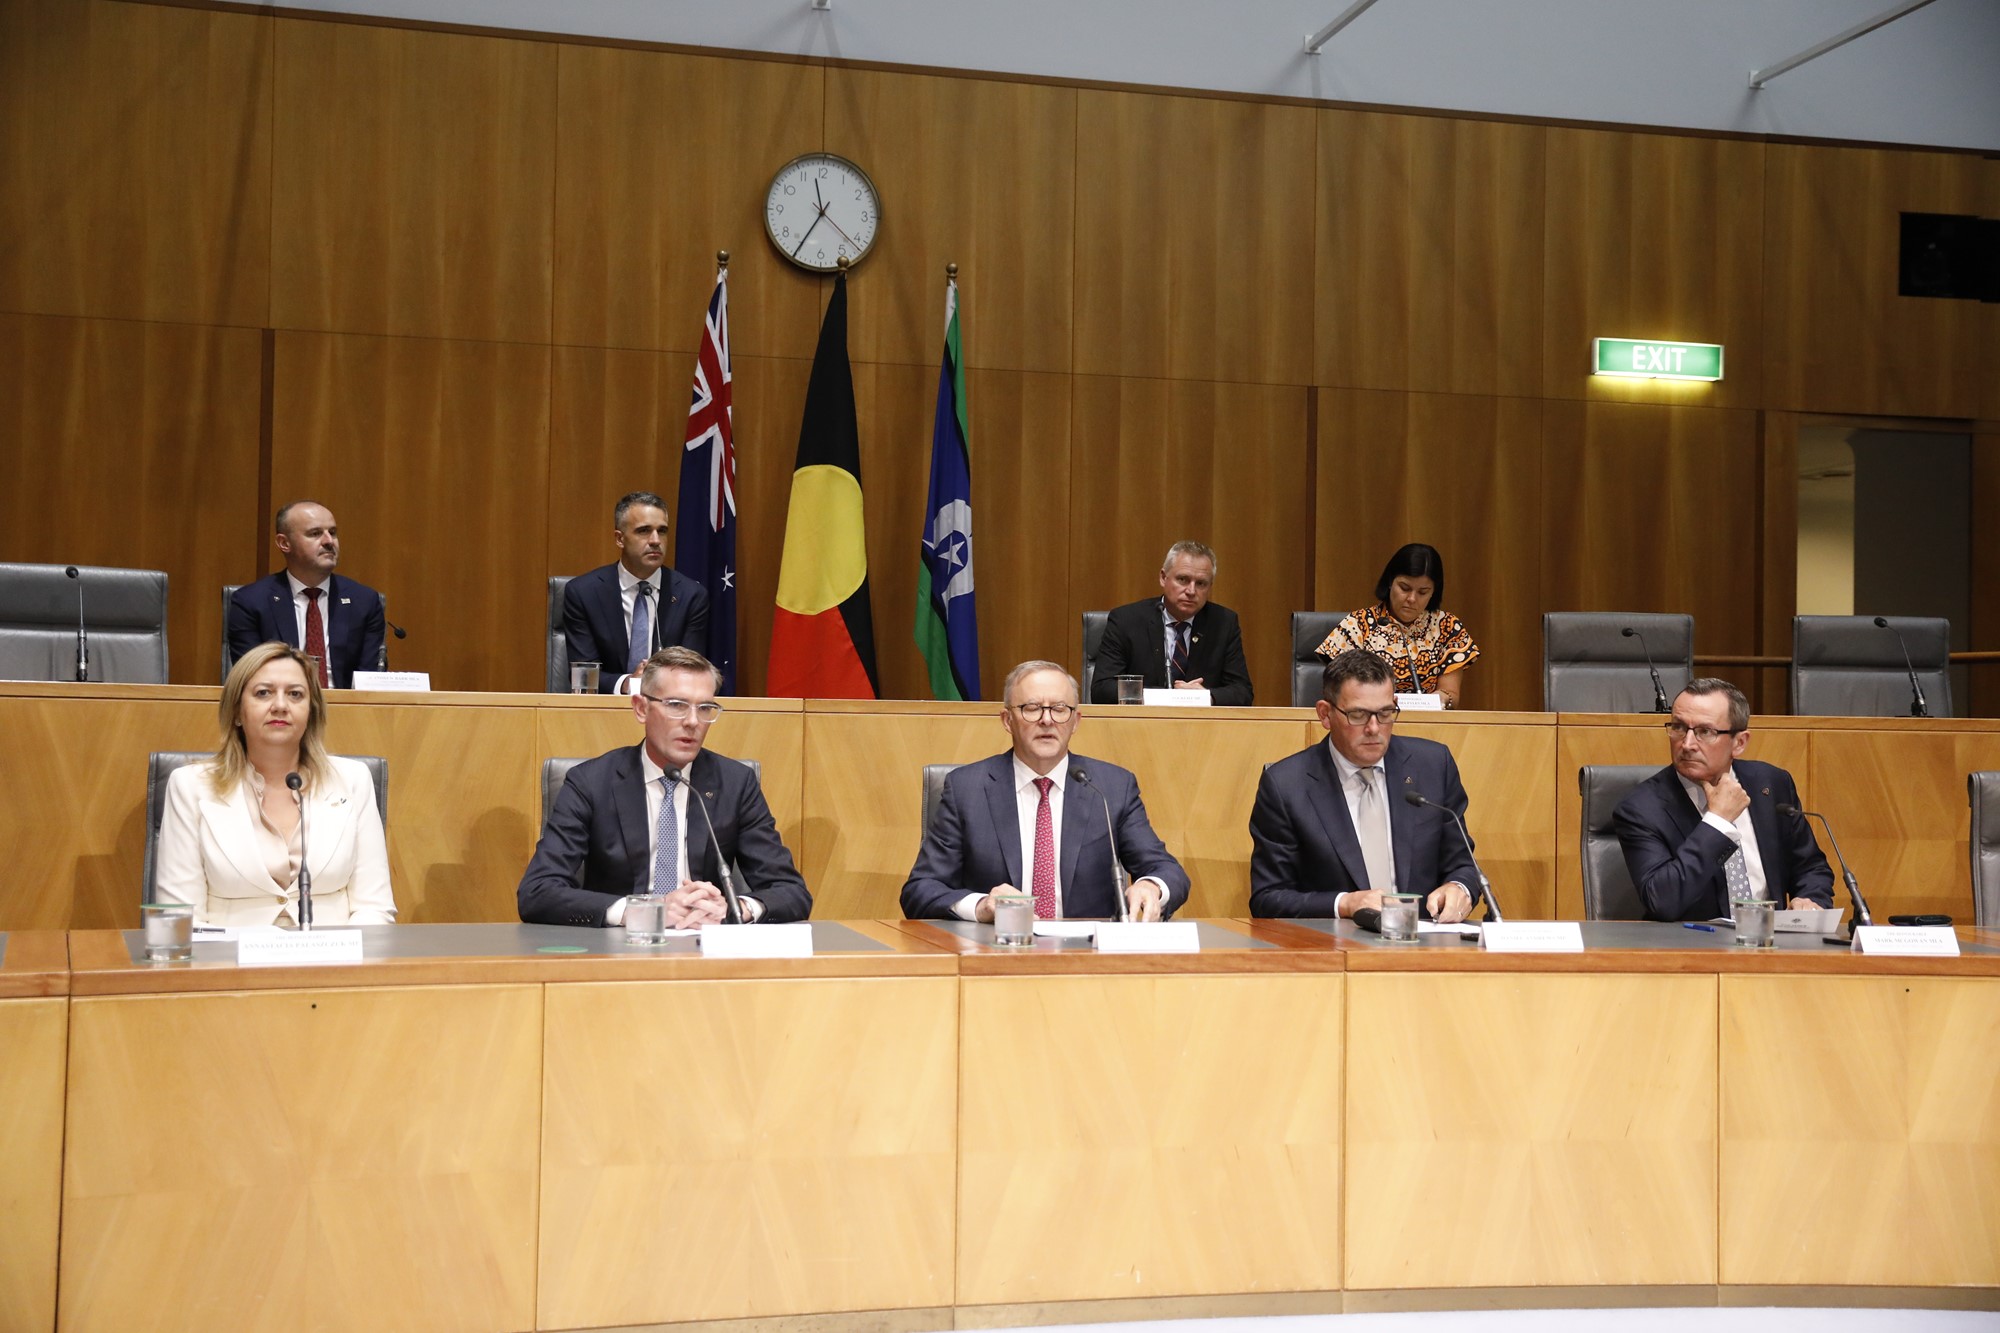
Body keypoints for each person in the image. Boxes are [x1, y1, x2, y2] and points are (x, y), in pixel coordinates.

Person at [518, 647, 807, 927]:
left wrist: (736, 909)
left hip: (705, 946)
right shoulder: (591, 782)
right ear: (641, 708)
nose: (693, 722)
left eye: (705, 708)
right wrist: (643, 911)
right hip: (619, 950)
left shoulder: (735, 783)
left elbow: (791, 891)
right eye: (677, 706)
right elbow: (537, 892)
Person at [902, 660, 1190, 922]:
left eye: (1060, 709)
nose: (1047, 720)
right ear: (1007, 720)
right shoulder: (967, 789)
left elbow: (1168, 871)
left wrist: (1151, 886)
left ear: (1075, 722)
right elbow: (921, 889)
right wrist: (982, 907)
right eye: (1031, 708)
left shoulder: (1111, 788)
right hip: (996, 953)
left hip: (1090, 960)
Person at [155, 642, 396, 926]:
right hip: (229, 963)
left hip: (334, 962)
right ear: (236, 711)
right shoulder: (190, 786)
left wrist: (342, 966)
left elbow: (374, 907)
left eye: (295, 694)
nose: (280, 705)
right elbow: (180, 916)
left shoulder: (352, 780)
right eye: (263, 693)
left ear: (311, 711)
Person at [1249, 648, 1478, 921]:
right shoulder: (1286, 785)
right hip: (1334, 949)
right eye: (1358, 715)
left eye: (1385, 713)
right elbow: (1268, 898)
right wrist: (1344, 903)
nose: (1373, 728)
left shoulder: (1433, 766)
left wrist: (1459, 888)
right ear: (1325, 714)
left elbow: (1463, 864)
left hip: (1423, 944)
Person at [1613, 678, 1835, 922]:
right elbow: (1663, 901)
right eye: (1678, 727)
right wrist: (1717, 822)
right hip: (1692, 950)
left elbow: (1811, 868)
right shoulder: (1641, 808)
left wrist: (1810, 900)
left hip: (1771, 946)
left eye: (1704, 732)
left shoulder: (1771, 784)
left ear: (1739, 743)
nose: (1686, 744)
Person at [226, 501, 386, 689]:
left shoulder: (364, 601)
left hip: (346, 710)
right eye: (315, 533)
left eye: (332, 532)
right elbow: (252, 678)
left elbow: (368, 681)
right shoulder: (251, 602)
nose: (329, 541)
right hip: (280, 708)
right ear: (284, 543)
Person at [563, 491, 710, 695]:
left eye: (662, 531)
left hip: (668, 709)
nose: (656, 540)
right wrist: (629, 683)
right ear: (620, 539)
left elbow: (691, 671)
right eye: (644, 531)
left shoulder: (691, 595)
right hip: (604, 712)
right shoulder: (584, 593)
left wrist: (653, 682)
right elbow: (584, 674)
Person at [1089, 540, 1253, 706]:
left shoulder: (1223, 623)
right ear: (1163, 578)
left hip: (1201, 727)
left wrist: (1205, 697)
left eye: (1201, 583)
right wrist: (1165, 698)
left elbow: (1243, 692)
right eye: (1183, 579)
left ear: (1210, 586)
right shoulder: (1126, 620)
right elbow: (1102, 689)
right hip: (1141, 726)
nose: (1191, 591)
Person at [1314, 542, 1477, 708]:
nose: (1412, 599)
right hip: (1368, 721)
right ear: (1391, 581)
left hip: (1427, 724)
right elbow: (1340, 691)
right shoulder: (1358, 625)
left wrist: (1441, 700)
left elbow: (1451, 695)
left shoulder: (1447, 627)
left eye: (1423, 592)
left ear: (1434, 591)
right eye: (1404, 588)